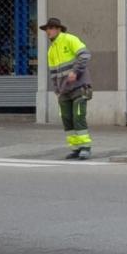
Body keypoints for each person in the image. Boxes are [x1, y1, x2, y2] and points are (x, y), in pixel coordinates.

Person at [42, 17, 93, 160]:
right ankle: (75, 148)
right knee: (66, 118)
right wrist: (57, 91)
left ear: (59, 29)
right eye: (47, 29)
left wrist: (75, 72)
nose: (48, 31)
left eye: (51, 28)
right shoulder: (51, 50)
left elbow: (85, 55)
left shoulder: (70, 39)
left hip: (78, 87)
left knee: (78, 117)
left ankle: (85, 147)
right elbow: (53, 73)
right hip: (64, 91)